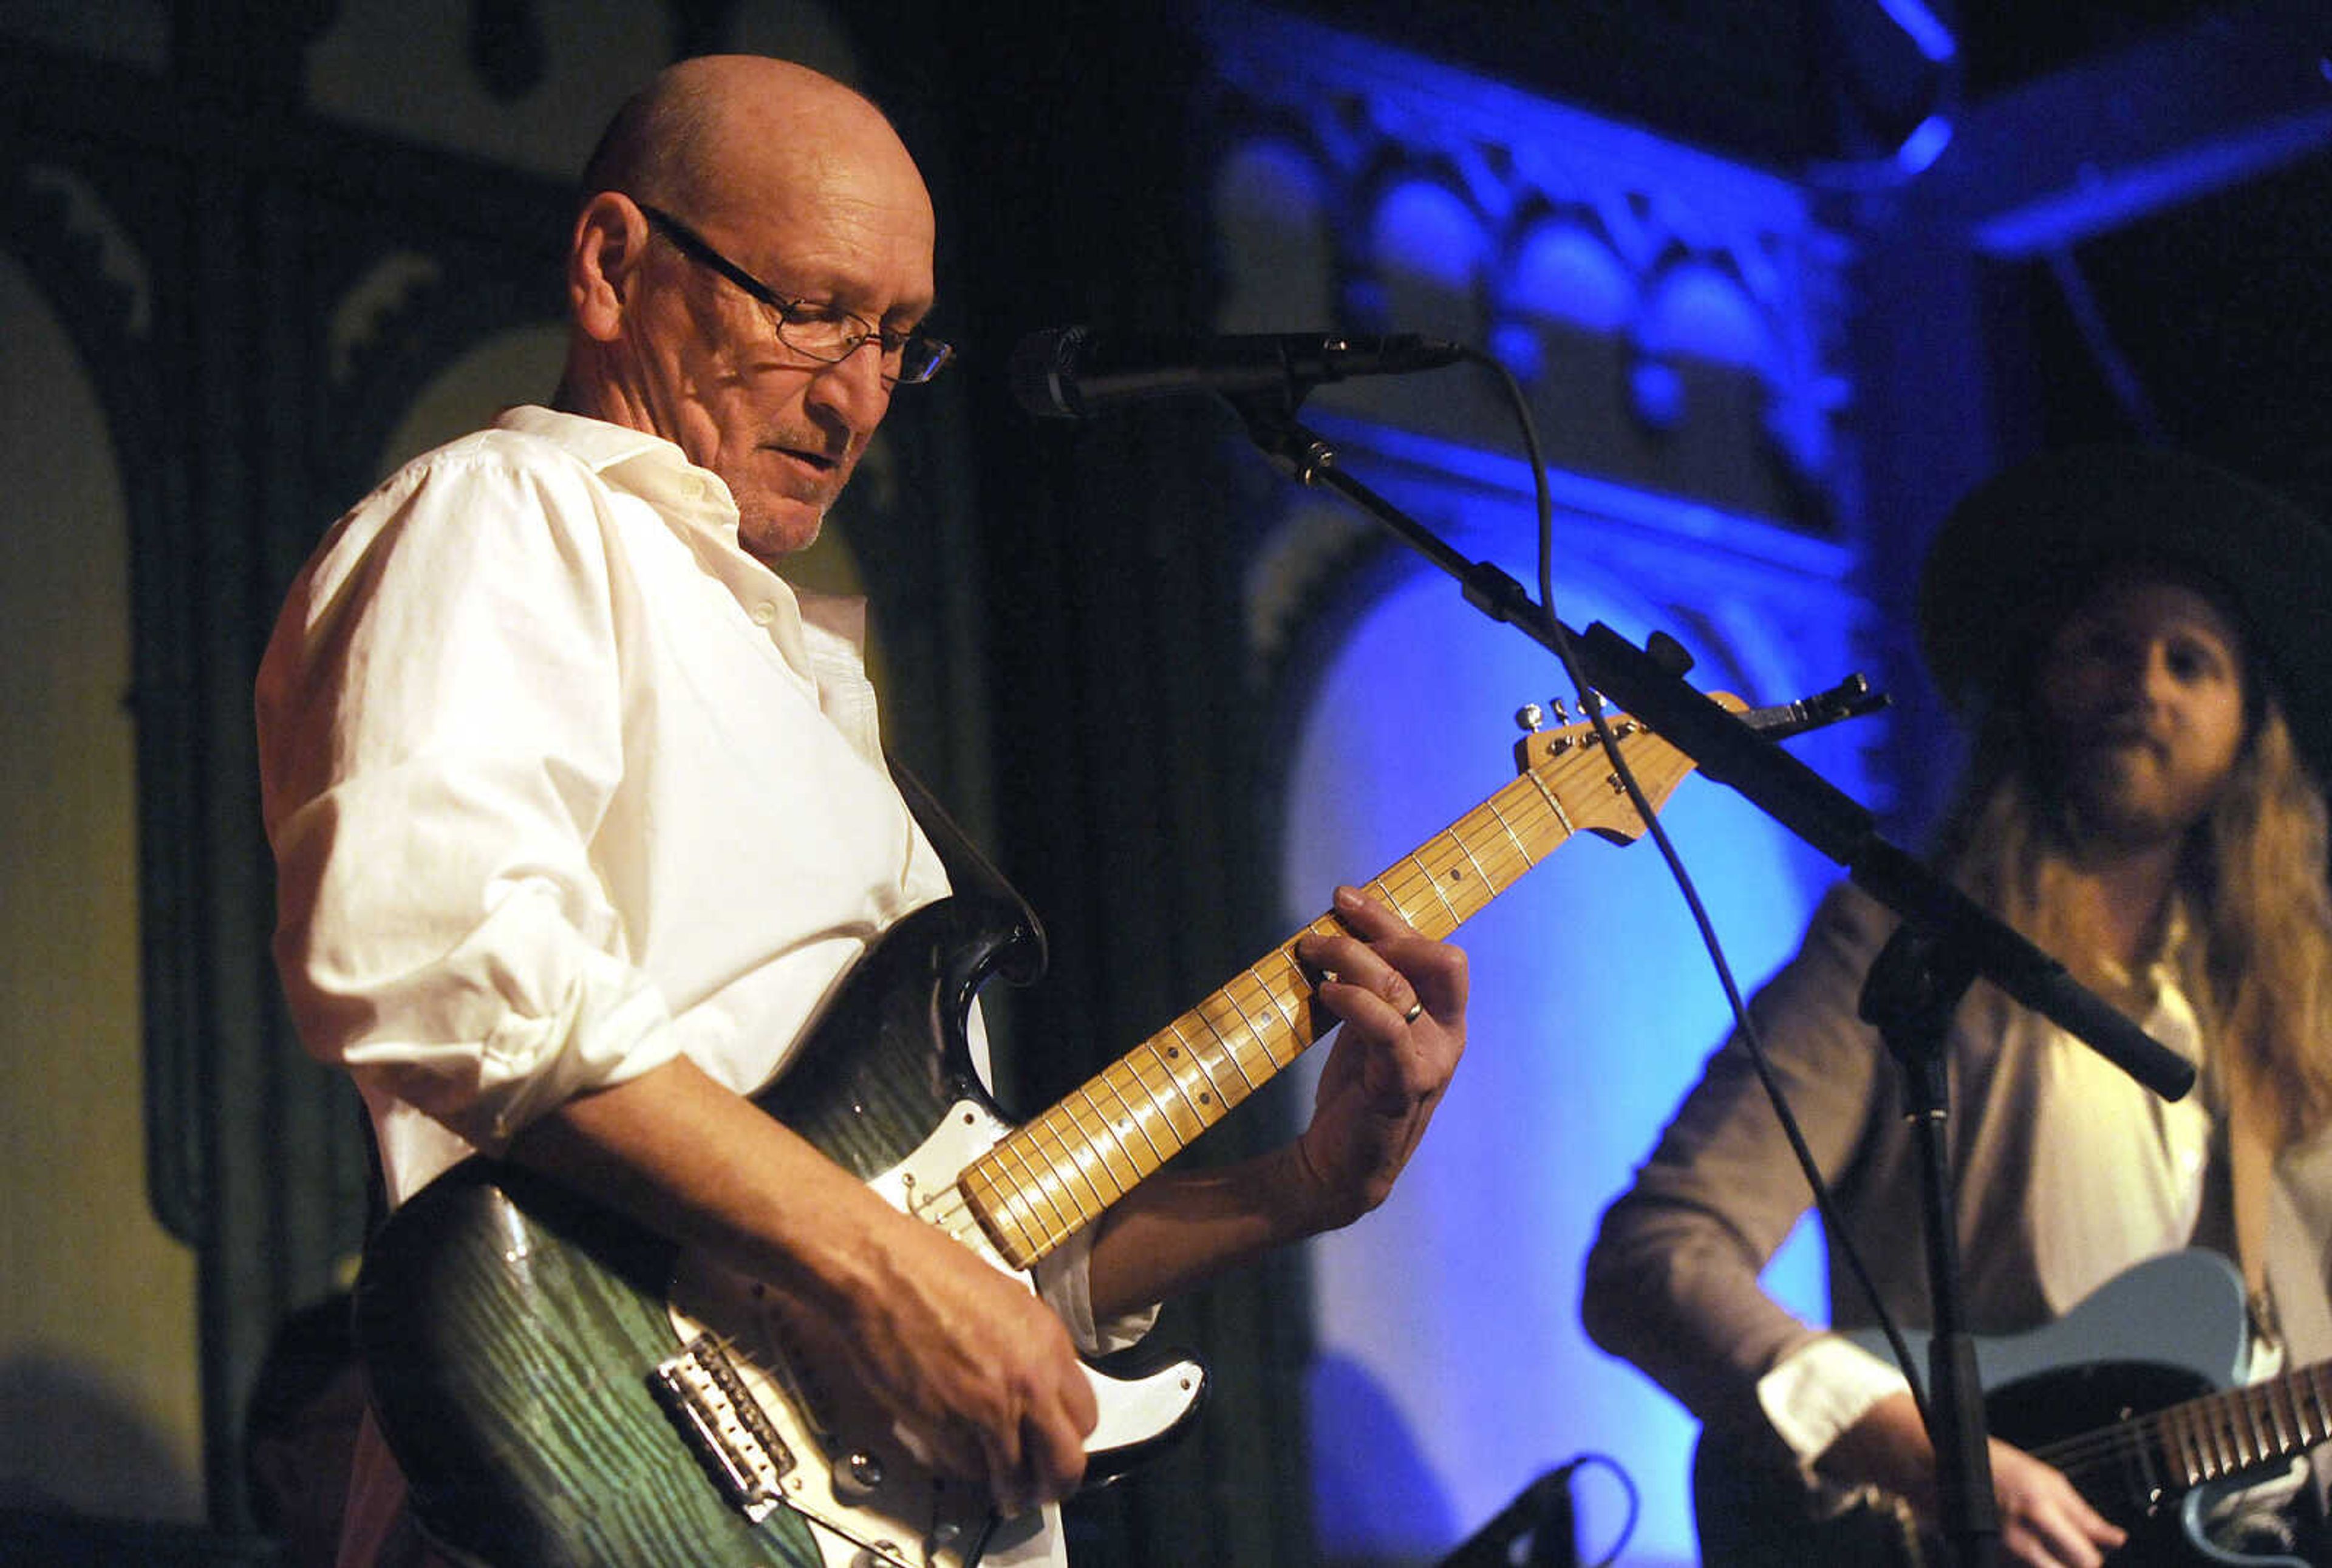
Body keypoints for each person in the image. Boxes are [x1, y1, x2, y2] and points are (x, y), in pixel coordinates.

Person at [254, 54, 1467, 1568]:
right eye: (810, 310)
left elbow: (948, 1236)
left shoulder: (802, 673)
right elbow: (436, 949)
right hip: (596, 1487)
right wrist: (880, 1271)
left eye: (899, 338)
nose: (857, 396)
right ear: (612, 267)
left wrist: (1292, 1186)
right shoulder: (508, 512)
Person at [1581, 445, 2332, 1568]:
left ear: (2247, 729)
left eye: (2193, 661)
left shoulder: (2298, 1009)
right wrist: (1910, 1451)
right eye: (2106, 647)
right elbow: (1656, 1257)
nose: (2149, 685)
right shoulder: (1902, 954)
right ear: (2034, 681)